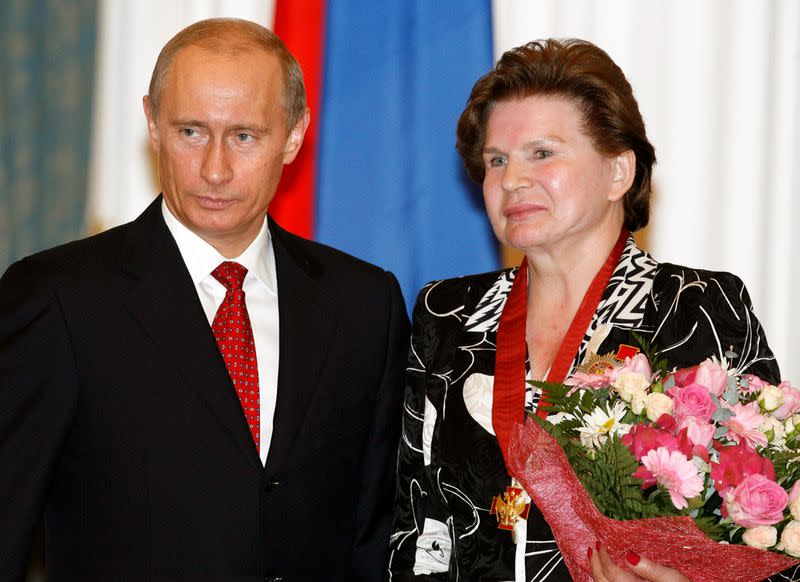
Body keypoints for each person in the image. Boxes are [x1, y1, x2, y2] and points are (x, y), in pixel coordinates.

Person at [0, 18, 409, 581]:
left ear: (294, 136)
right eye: (192, 131)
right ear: (152, 123)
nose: (214, 169)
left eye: (244, 136)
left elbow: (374, 532)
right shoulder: (59, 298)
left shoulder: (365, 304)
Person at [388, 38, 789, 581]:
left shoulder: (697, 311)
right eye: (496, 160)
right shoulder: (447, 314)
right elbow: (415, 525)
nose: (511, 180)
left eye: (542, 153)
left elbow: (774, 533)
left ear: (619, 172)